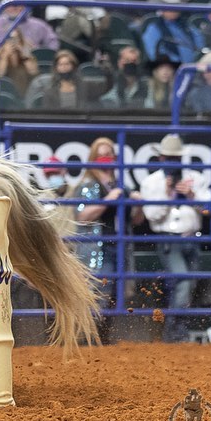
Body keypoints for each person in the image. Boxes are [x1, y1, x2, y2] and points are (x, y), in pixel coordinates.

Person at [140, 134, 211, 343]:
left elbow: (210, 208)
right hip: (168, 239)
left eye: (176, 158)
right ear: (161, 158)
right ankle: (176, 332)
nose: (173, 162)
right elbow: (152, 215)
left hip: (191, 237)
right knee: (183, 280)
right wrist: (168, 194)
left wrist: (191, 195)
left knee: (190, 284)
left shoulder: (195, 179)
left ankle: (179, 329)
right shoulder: (151, 183)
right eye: (169, 157)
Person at [72, 138, 143, 329]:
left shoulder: (122, 187)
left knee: (116, 295)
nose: (105, 158)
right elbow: (82, 215)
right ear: (94, 158)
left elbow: (136, 221)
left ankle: (102, 338)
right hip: (98, 248)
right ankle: (91, 338)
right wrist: (107, 200)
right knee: (100, 292)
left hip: (120, 247)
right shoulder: (89, 184)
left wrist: (139, 205)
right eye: (101, 154)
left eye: (108, 154)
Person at [141, 0, 204, 64]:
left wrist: (198, 59)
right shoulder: (154, 28)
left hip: (194, 67)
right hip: (169, 68)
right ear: (162, 7)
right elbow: (155, 54)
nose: (173, 9)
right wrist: (177, 64)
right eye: (169, 5)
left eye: (176, 5)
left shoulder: (187, 25)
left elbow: (200, 42)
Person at [41, 49, 108, 109]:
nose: (64, 67)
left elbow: (106, 87)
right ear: (56, 68)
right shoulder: (49, 91)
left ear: (73, 66)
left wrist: (107, 70)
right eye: (60, 65)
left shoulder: (85, 86)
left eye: (67, 64)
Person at [0, 28, 38, 96]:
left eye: (16, 39)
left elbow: (33, 71)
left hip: (25, 93)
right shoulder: (0, 55)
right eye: (10, 39)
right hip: (6, 94)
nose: (13, 42)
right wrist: (5, 56)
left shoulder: (26, 54)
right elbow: (0, 74)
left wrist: (23, 54)